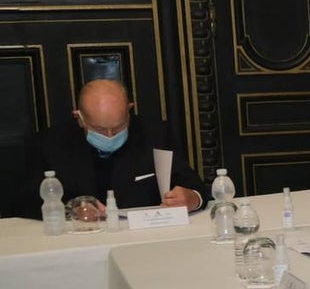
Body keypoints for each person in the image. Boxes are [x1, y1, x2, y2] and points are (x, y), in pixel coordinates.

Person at [16, 79, 208, 217]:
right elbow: (24, 202)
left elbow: (193, 186)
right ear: (79, 118)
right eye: (99, 129)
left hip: (144, 237)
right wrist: (70, 209)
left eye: (118, 127)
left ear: (129, 110)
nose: (110, 136)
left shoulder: (156, 134)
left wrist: (193, 198)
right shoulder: (50, 143)